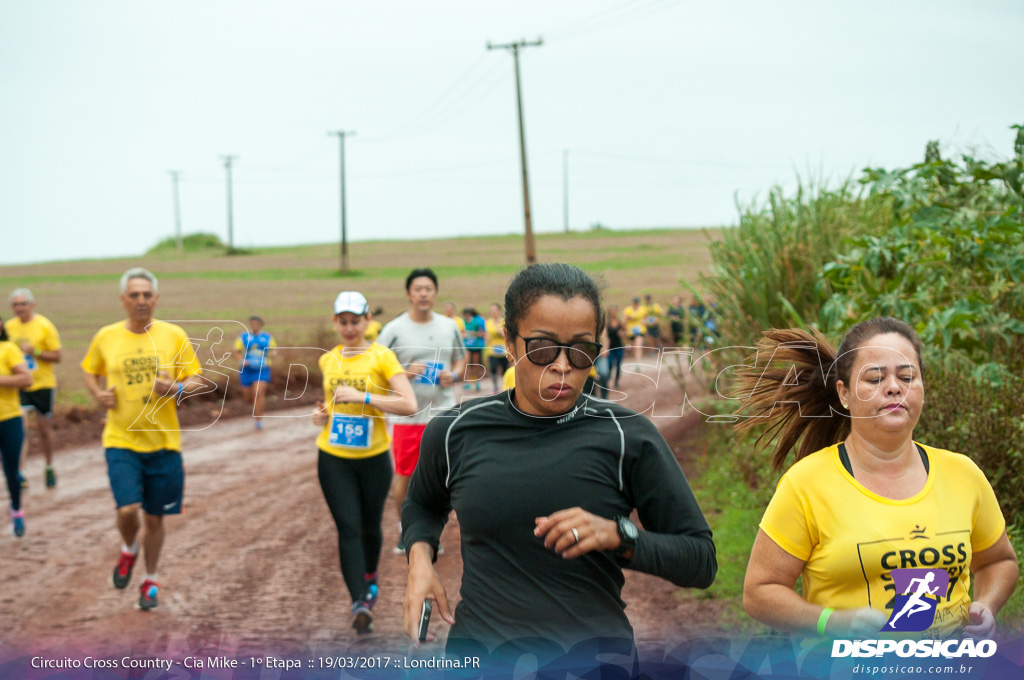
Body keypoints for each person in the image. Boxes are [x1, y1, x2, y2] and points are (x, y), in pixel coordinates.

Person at [401, 263, 717, 657]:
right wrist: (419, 561)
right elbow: (423, 504)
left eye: (582, 350)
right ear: (510, 343)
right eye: (544, 348)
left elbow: (700, 561)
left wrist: (619, 535)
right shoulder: (455, 431)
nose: (563, 365)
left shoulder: (627, 435)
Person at [739, 318, 1019, 639]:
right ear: (844, 394)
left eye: (906, 376)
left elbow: (999, 561)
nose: (894, 387)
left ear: (922, 388)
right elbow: (759, 591)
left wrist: (986, 604)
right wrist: (831, 622)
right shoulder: (805, 484)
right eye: (875, 378)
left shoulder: (963, 474)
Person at [81, 268, 204, 610]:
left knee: (154, 518)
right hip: (121, 440)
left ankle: (150, 579)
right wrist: (98, 394)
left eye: (147, 295)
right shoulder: (106, 337)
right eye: (134, 295)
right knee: (127, 508)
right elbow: (89, 369)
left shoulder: (173, 335)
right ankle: (128, 549)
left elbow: (197, 379)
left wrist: (177, 388)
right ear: (123, 300)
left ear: (156, 299)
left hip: (164, 444)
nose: (141, 301)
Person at [311, 291, 418, 634]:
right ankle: (359, 600)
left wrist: (364, 396)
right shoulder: (329, 360)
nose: (349, 328)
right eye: (343, 322)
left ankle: (370, 575)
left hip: (373, 458)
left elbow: (408, 403)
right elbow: (330, 405)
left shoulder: (382, 357)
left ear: (367, 320)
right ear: (335, 323)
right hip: (333, 457)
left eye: (355, 321)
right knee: (349, 527)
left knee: (371, 528)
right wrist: (321, 414)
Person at [376, 268, 466, 554]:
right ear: (408, 294)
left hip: (443, 412)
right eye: (418, 289)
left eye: (428, 288)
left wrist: (453, 374)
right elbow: (375, 368)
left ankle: (432, 531)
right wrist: (404, 372)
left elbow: (462, 361)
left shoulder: (449, 326)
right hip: (408, 415)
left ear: (435, 293)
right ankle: (407, 530)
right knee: (405, 474)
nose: (424, 293)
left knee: (445, 477)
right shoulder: (393, 329)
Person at [7, 288, 62, 488]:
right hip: (19, 384)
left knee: (43, 429)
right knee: (20, 428)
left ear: (32, 305)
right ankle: (20, 473)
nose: (19, 308)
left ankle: (49, 466)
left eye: (23, 304)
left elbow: (58, 356)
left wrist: (35, 351)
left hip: (43, 384)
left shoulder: (44, 326)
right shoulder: (9, 328)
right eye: (16, 304)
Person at [0, 315, 32, 537]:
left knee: (11, 471)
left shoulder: (8, 349)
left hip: (8, 418)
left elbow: (26, 379)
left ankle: (17, 510)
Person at [233, 315, 276, 431]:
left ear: (260, 325)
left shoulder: (267, 338)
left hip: (262, 369)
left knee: (258, 393)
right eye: (253, 324)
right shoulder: (243, 337)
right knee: (248, 396)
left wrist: (272, 354)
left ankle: (259, 419)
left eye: (257, 324)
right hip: (247, 370)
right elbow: (236, 352)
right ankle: (256, 408)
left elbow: (273, 350)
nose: (254, 326)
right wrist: (242, 360)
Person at [484, 303, 508, 393]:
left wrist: (499, 330)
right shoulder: (488, 322)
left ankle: (505, 386)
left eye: (495, 310)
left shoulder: (504, 321)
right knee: (493, 368)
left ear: (499, 311)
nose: (493, 312)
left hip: (503, 350)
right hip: (492, 350)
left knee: (505, 369)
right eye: (492, 310)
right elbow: (486, 335)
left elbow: (506, 335)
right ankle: (495, 387)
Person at [461, 307, 486, 390]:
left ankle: (477, 381)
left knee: (476, 364)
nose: (466, 317)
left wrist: (474, 333)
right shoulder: (463, 322)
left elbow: (482, 333)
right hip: (467, 346)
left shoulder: (477, 321)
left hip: (476, 346)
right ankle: (468, 382)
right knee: (466, 363)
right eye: (465, 316)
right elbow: (461, 331)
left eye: (468, 315)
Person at [623, 296, 647, 367]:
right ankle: (637, 359)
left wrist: (644, 321)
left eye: (637, 302)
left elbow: (646, 318)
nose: (636, 304)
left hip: (640, 331)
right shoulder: (628, 310)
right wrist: (629, 318)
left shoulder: (643, 309)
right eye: (635, 302)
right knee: (634, 348)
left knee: (637, 346)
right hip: (631, 332)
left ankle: (638, 363)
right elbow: (623, 320)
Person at [605, 305, 625, 389]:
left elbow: (625, 332)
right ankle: (608, 380)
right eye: (611, 311)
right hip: (610, 347)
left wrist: (622, 334)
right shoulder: (607, 323)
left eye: (614, 311)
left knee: (618, 365)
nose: (613, 313)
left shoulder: (620, 323)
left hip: (619, 346)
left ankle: (616, 382)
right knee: (609, 364)